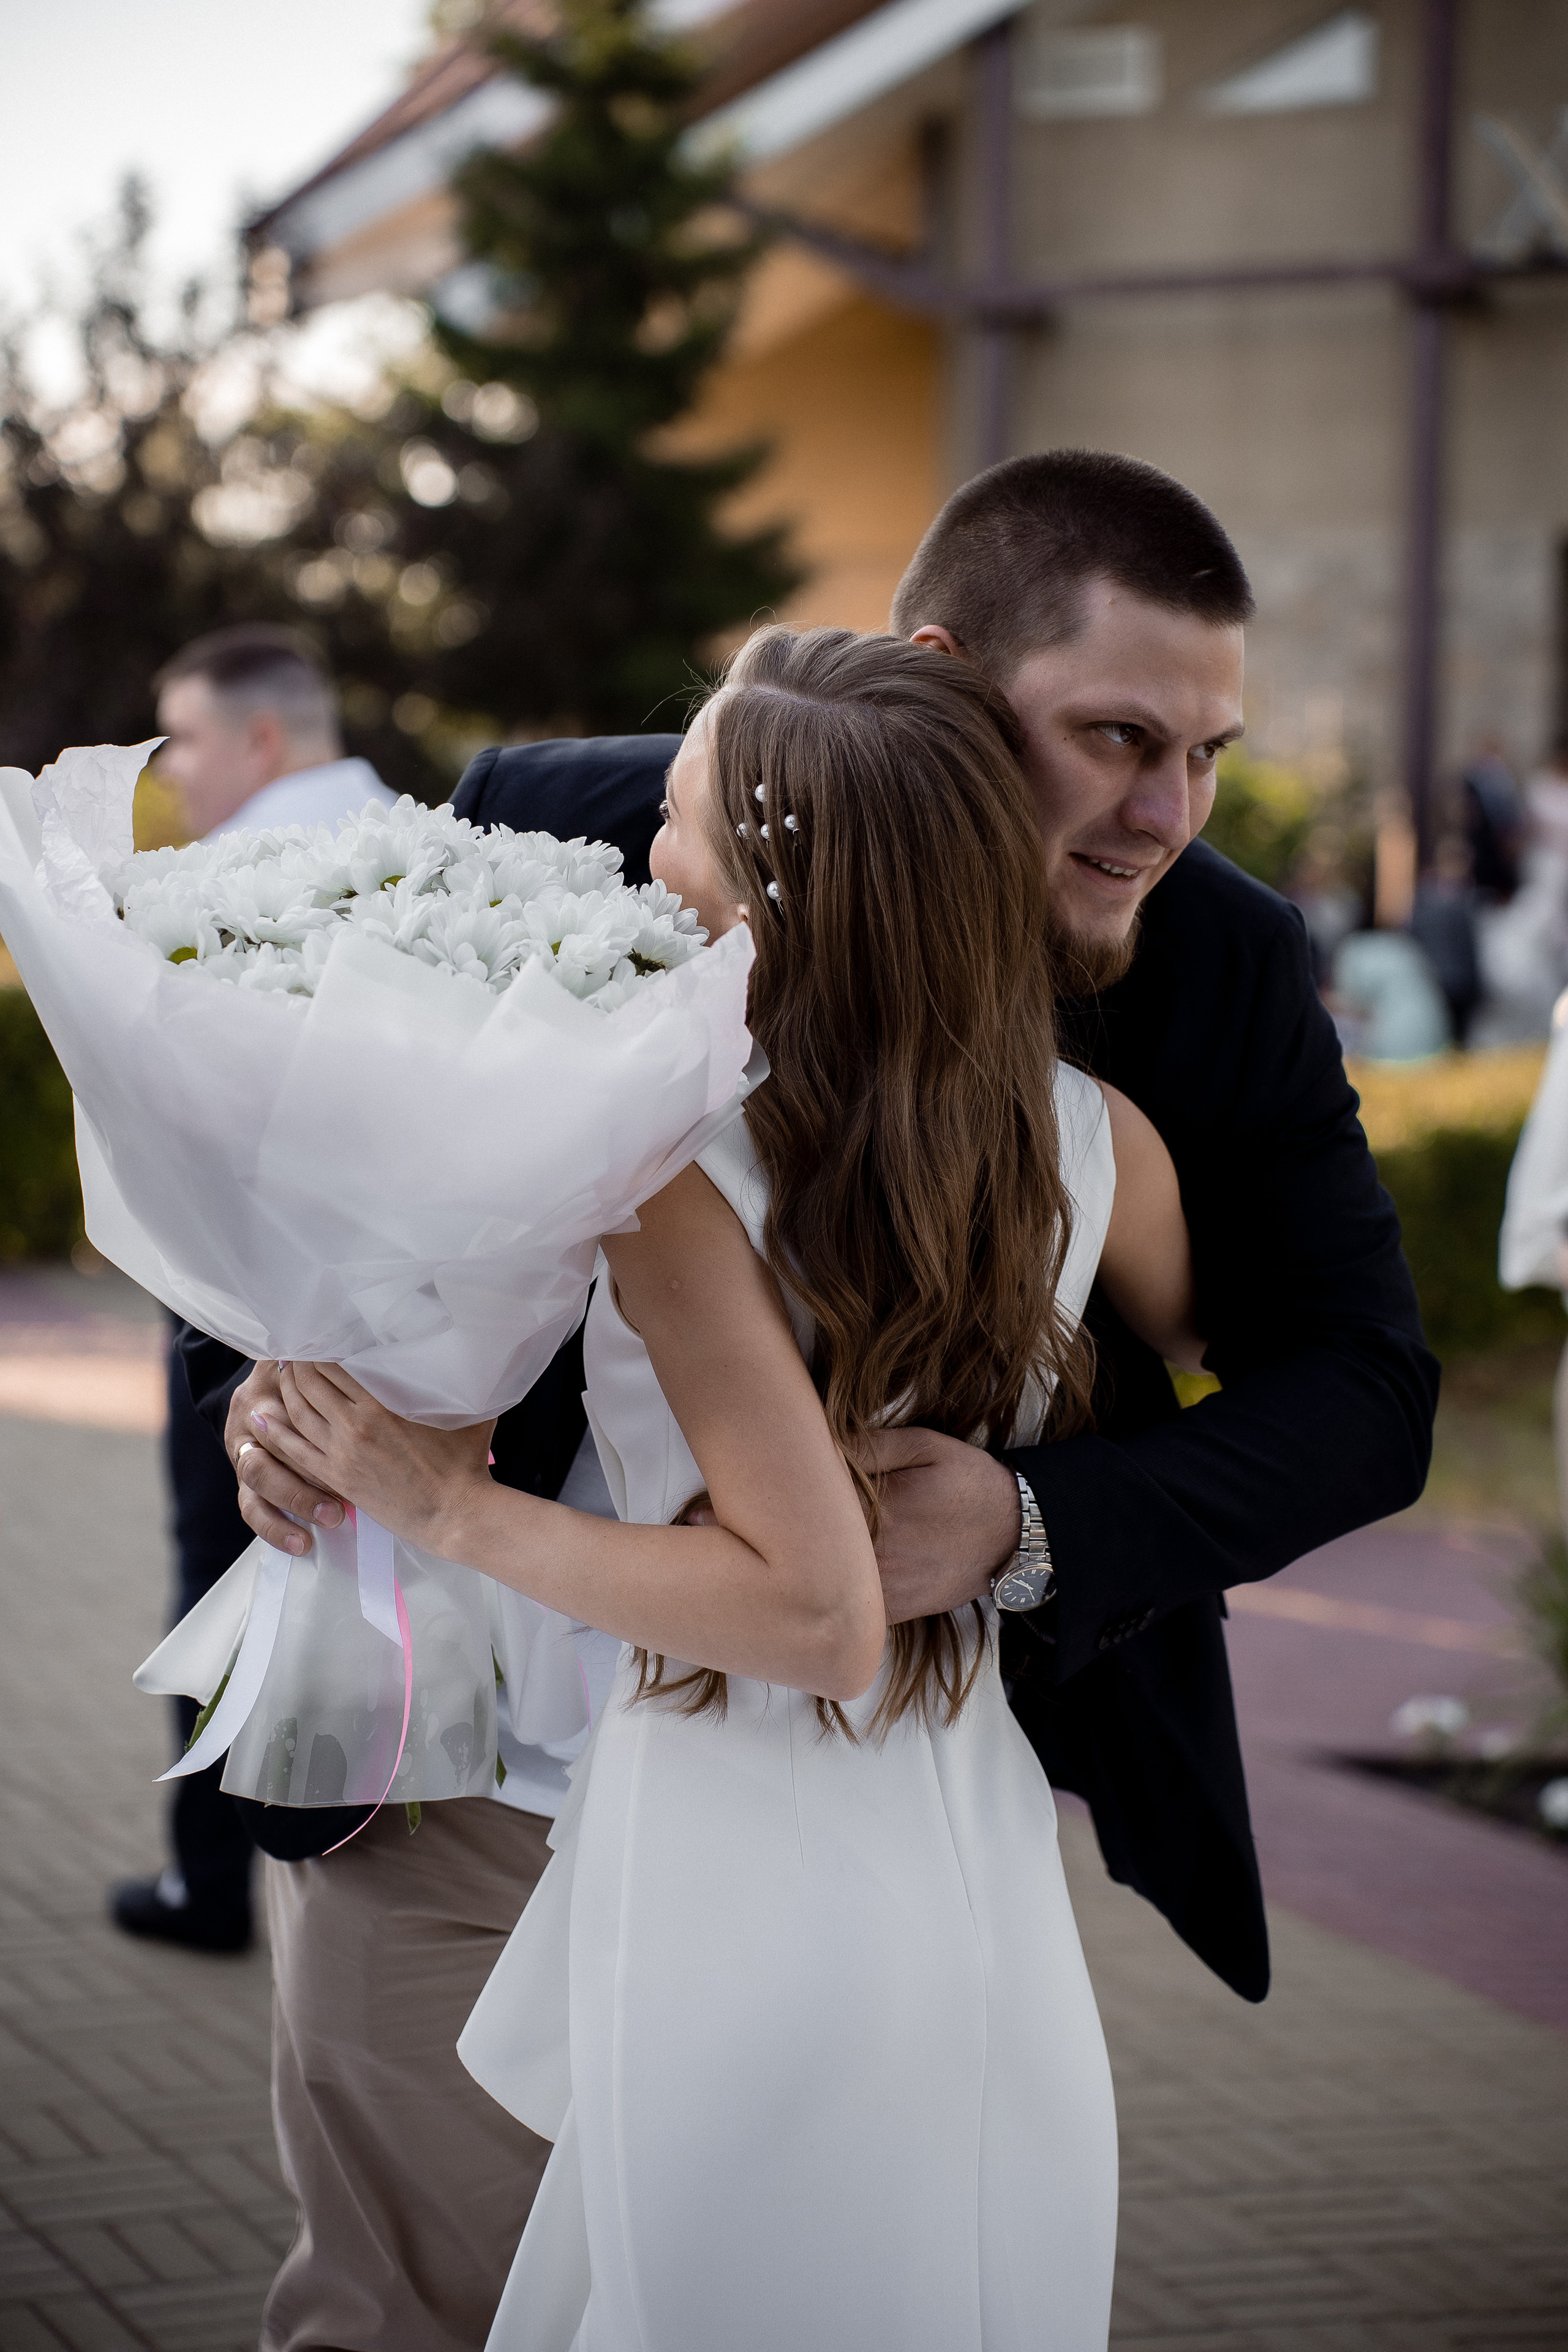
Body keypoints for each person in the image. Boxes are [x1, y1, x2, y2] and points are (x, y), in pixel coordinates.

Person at [205, 452, 1438, 2345]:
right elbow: (306, 1193)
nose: (1171, 812)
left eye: (1207, 751)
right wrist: (281, 1404)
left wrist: (1037, 1521)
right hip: (458, 1767)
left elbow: (1354, 1380)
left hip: (818, 1795)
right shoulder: (564, 825)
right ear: (942, 673)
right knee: (404, 2307)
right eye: (1119, 738)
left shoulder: (1193, 987)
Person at [110, 625, 395, 1954]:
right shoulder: (418, 832)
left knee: (222, 1552)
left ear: (263, 738)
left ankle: (211, 1881)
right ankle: (359, 1825)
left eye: (188, 738)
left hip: (237, 1297)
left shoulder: (230, 877)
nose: (175, 770)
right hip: (404, 1300)